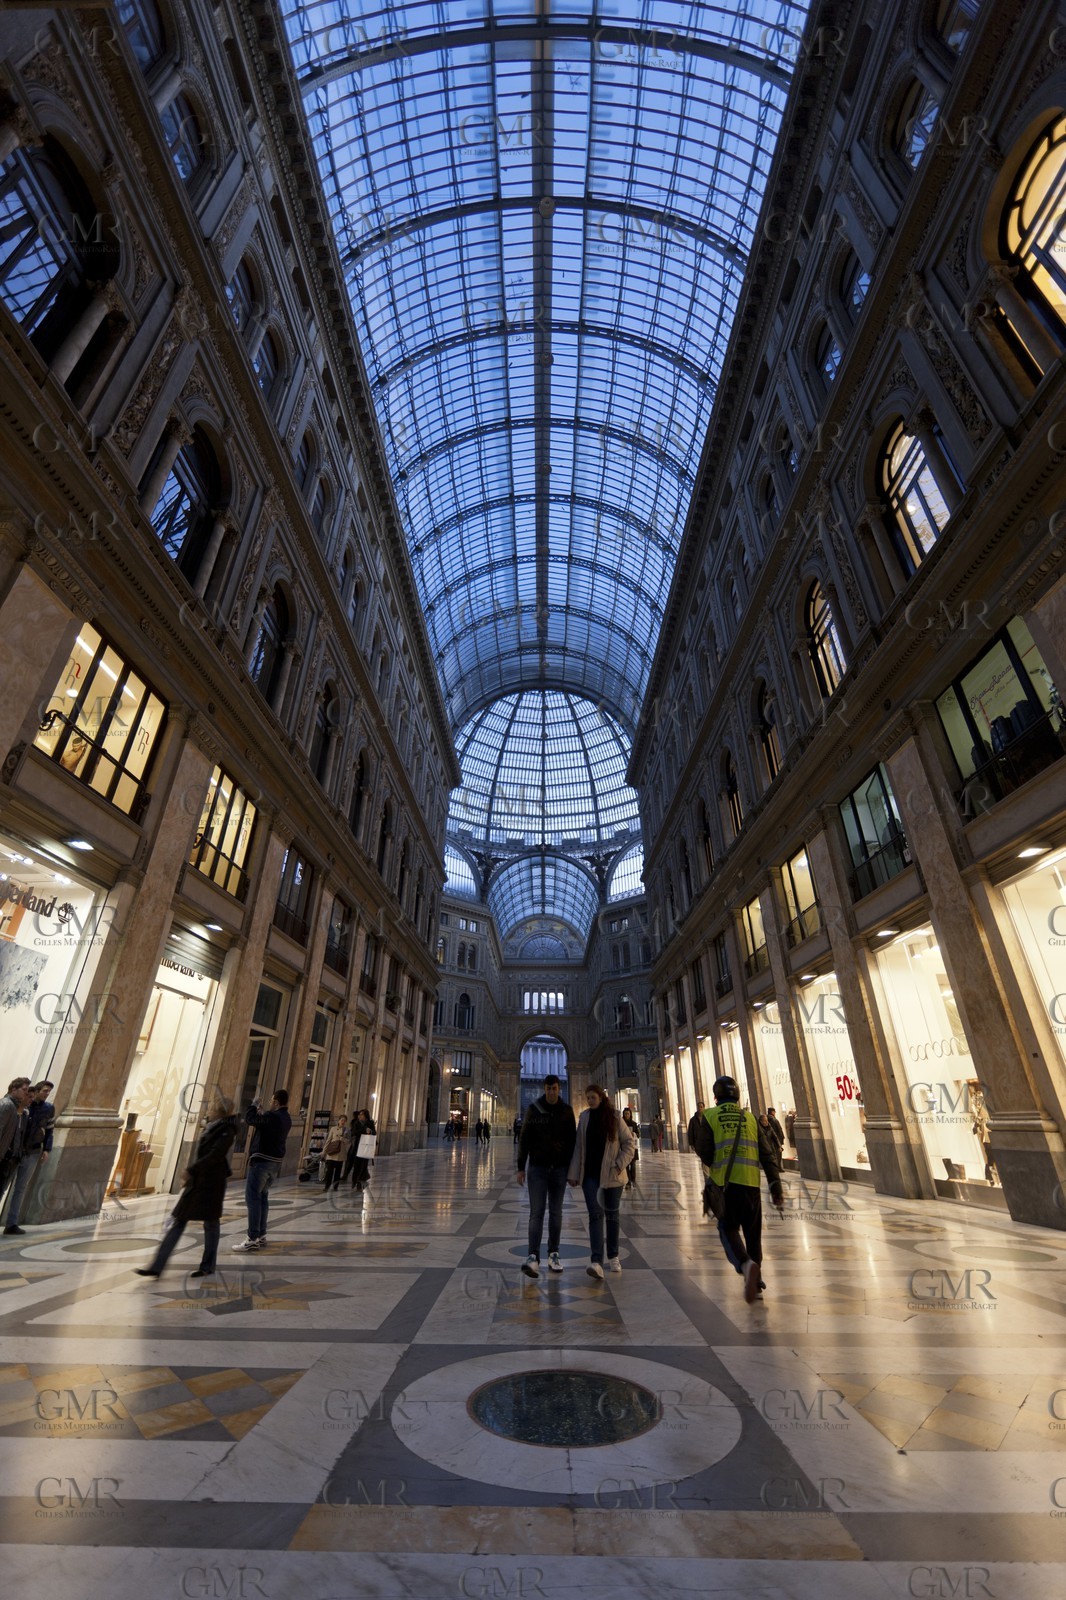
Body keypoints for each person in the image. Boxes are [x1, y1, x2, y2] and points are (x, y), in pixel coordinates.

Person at [695, 1076, 784, 1304]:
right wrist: (776, 1188)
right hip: (751, 1185)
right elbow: (767, 1155)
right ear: (737, 1096)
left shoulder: (711, 1116)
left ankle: (746, 1265)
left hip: (726, 1185)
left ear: (716, 1097)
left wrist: (716, 1161)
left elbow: (704, 1151)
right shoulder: (750, 1118)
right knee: (753, 1236)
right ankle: (757, 1284)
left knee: (728, 1229)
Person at [136, 1092, 237, 1279]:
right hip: (199, 1181)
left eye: (211, 1107)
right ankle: (157, 1266)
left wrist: (191, 1169)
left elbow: (215, 1155)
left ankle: (207, 1265)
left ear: (219, 1111)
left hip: (212, 1182)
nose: (208, 1109)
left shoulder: (226, 1130)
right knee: (179, 1220)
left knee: (211, 1223)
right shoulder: (214, 1126)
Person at [568, 1085, 636, 1280]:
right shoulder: (584, 1117)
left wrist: (618, 1165)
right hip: (590, 1176)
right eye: (587, 1098)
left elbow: (629, 1144)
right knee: (595, 1216)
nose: (590, 1101)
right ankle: (596, 1261)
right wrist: (573, 1173)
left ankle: (613, 1255)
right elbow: (578, 1148)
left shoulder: (615, 1117)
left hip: (613, 1176)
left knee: (612, 1216)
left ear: (601, 1097)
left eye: (593, 1097)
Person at [516, 1073, 577, 1278]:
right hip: (537, 1169)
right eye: (548, 1088)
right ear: (545, 1088)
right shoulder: (534, 1109)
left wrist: (571, 1170)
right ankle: (533, 1256)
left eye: (555, 1088)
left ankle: (554, 1253)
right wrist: (520, 1167)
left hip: (559, 1170)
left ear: (559, 1088)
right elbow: (524, 1138)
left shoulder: (567, 1111)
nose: (552, 1091)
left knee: (557, 1212)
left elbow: (572, 1142)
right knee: (537, 1212)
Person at [233, 1088, 291, 1251]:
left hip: (262, 1161)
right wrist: (264, 1114)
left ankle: (252, 1237)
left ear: (277, 1102)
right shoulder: (286, 1118)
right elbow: (268, 1126)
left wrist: (253, 1105)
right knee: (263, 1197)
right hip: (275, 1163)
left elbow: (251, 1119)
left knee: (252, 1198)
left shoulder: (272, 1117)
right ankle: (261, 1234)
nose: (271, 1102)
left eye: (272, 1100)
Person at [3, 1080, 56, 1234]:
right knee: (4, 1184)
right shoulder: (24, 1107)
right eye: (45, 1091)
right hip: (16, 1152)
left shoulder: (49, 1109)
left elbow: (50, 1130)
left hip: (32, 1152)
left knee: (20, 1188)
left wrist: (47, 1148)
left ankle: (11, 1223)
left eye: (49, 1092)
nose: (47, 1094)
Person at [0, 1078, 32, 1213]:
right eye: (24, 1090)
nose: (26, 1094)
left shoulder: (13, 1108)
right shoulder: (6, 1105)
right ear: (14, 1090)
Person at [344, 1107, 376, 1189]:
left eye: (361, 1115)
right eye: (359, 1115)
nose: (360, 1116)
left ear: (366, 1115)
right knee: (356, 1165)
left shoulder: (370, 1123)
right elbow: (354, 1133)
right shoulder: (356, 1123)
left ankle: (360, 1182)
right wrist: (364, 1130)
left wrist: (371, 1132)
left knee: (364, 1166)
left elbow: (374, 1133)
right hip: (357, 1147)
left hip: (366, 1147)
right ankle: (354, 1181)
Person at [321, 1114, 349, 1191]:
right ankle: (327, 1186)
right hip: (332, 1152)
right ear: (339, 1121)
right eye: (341, 1120)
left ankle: (335, 1186)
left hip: (340, 1153)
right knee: (329, 1171)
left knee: (338, 1172)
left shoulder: (347, 1130)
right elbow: (328, 1140)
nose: (343, 1122)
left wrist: (342, 1139)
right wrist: (324, 1151)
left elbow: (349, 1142)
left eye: (344, 1120)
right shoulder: (333, 1129)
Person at [621, 1106, 640, 1187]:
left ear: (630, 1114)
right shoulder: (621, 1124)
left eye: (628, 1114)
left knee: (633, 1165)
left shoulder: (634, 1124)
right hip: (624, 1148)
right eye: (625, 1114)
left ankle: (633, 1180)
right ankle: (628, 1182)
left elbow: (638, 1134)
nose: (627, 1115)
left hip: (633, 1147)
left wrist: (634, 1134)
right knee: (626, 1166)